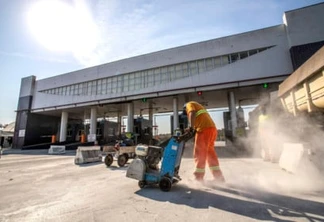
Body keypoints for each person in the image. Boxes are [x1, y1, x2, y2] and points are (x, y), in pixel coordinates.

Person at [183, 101, 225, 182]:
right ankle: (218, 177)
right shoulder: (199, 107)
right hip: (212, 129)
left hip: (203, 130)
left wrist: (191, 127)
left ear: (185, 108)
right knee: (210, 154)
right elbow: (198, 118)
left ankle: (198, 178)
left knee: (199, 153)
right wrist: (193, 129)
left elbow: (192, 112)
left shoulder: (189, 104)